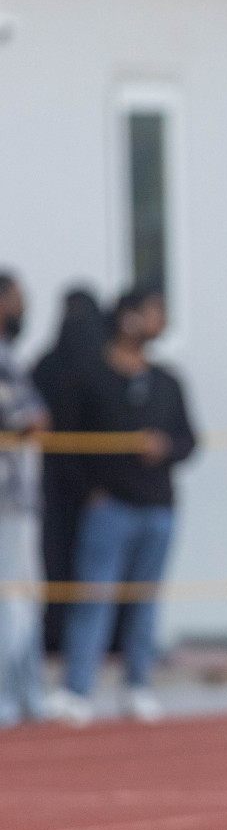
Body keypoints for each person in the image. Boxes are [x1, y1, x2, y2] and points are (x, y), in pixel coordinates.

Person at [51, 284, 196, 726]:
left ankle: (138, 684)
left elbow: (190, 440)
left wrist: (165, 449)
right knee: (94, 597)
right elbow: (66, 444)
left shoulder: (167, 380)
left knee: (145, 600)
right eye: (155, 311)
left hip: (158, 505)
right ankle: (78, 689)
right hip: (110, 507)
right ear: (129, 317)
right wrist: (89, 493)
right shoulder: (90, 377)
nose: (161, 321)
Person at [31, 288, 108, 653]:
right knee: (61, 569)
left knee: (96, 573)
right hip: (64, 489)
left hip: (100, 492)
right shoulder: (50, 367)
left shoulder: (104, 368)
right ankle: (63, 638)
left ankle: (94, 640)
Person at [0, 274, 51, 726]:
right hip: (7, 497)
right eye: (15, 302)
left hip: (18, 495)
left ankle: (27, 691)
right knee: (13, 597)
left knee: (23, 595)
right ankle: (10, 695)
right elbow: (29, 417)